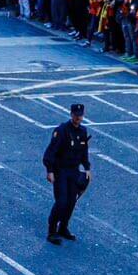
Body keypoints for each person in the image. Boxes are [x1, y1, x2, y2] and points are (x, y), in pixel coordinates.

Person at [42, 102, 93, 245]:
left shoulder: (82, 131)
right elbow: (51, 152)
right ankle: (52, 231)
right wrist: (50, 170)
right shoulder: (62, 131)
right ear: (71, 115)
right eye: (76, 116)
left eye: (80, 116)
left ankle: (63, 228)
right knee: (61, 202)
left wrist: (87, 167)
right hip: (61, 171)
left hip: (74, 171)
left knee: (71, 202)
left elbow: (83, 151)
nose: (78, 118)